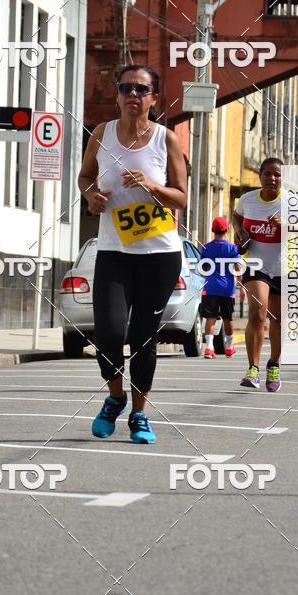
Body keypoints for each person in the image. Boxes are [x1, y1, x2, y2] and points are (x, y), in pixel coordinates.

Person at [77, 64, 187, 444]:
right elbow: (85, 176)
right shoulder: (102, 133)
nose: (133, 96)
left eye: (142, 90)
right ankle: (115, 396)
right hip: (114, 251)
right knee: (107, 333)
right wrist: (91, 195)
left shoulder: (166, 139)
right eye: (126, 88)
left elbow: (182, 197)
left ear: (154, 98)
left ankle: (139, 413)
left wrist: (152, 185)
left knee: (143, 336)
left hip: (159, 254)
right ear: (118, 94)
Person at [232, 158, 283, 391]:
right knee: (257, 314)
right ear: (260, 176)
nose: (272, 178)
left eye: (277, 174)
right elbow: (237, 216)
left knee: (278, 320)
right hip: (256, 264)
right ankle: (253, 369)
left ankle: (274, 365)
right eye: (268, 174)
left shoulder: (293, 203)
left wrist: (288, 225)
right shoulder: (248, 199)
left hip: (284, 266)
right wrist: (239, 231)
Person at [199, 216, 240, 358]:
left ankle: (209, 348)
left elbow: (203, 267)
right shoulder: (232, 248)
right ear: (226, 230)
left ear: (212, 230)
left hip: (210, 287)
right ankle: (229, 347)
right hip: (227, 289)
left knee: (211, 317)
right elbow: (238, 267)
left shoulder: (206, 247)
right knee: (228, 318)